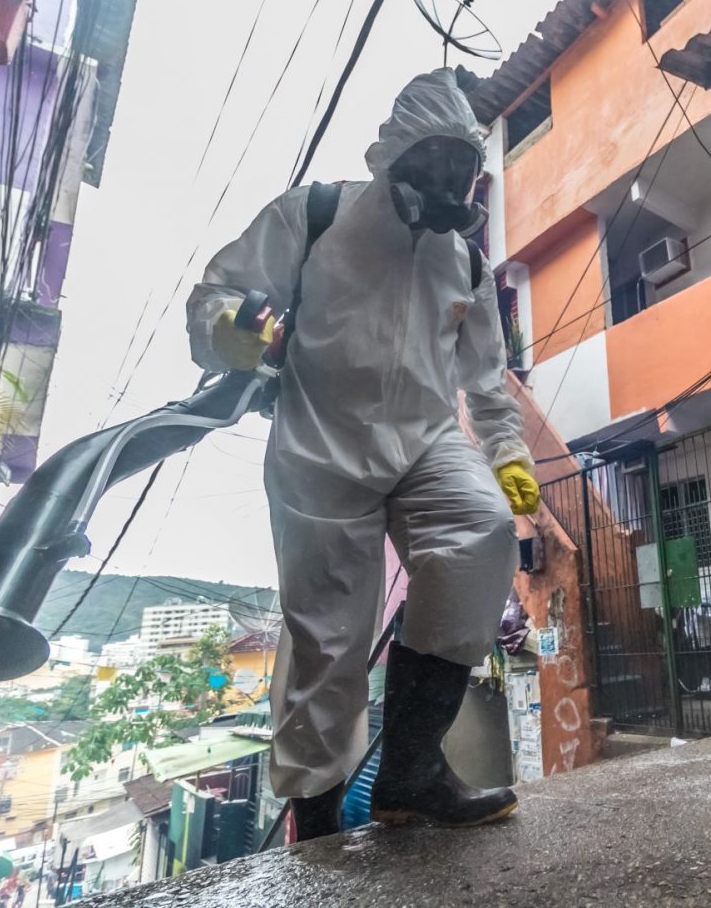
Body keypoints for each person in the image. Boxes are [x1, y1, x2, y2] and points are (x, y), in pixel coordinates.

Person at [186, 68, 539, 838]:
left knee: (480, 535)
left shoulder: (467, 262)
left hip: (424, 441)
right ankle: (314, 818)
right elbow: (215, 297)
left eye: (464, 170)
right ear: (398, 158)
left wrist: (507, 452)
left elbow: (485, 378)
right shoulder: (314, 215)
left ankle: (411, 770)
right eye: (438, 165)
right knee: (329, 641)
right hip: (321, 448)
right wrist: (232, 330)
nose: (453, 187)